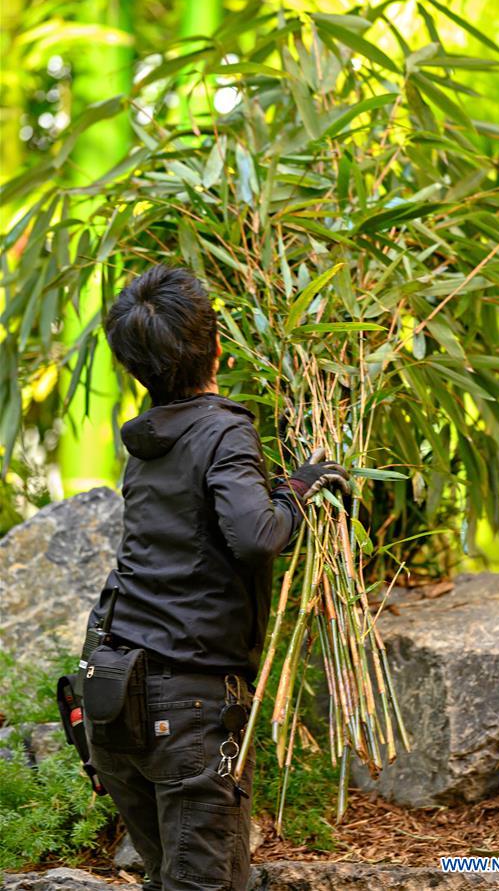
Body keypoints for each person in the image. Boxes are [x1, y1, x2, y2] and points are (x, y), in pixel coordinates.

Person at [83, 265, 350, 891]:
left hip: (116, 696)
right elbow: (256, 537)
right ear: (219, 348)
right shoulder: (222, 428)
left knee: (172, 876)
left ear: (135, 368)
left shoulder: (148, 444)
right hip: (188, 707)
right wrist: (297, 489)